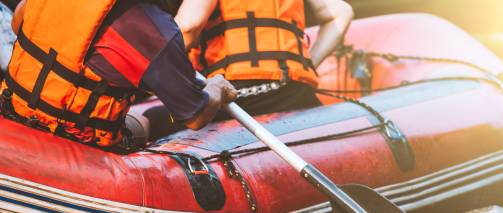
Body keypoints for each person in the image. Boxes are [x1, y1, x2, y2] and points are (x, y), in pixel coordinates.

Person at [0, 0, 237, 150]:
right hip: (76, 143)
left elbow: (18, 22)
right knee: (147, 123)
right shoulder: (155, 32)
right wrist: (216, 87)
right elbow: (195, 117)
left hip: (12, 112)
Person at [177, 0, 354, 117]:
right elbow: (342, 12)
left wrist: (156, 72)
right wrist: (303, 66)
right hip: (296, 92)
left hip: (235, 96)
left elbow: (189, 25)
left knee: (153, 119)